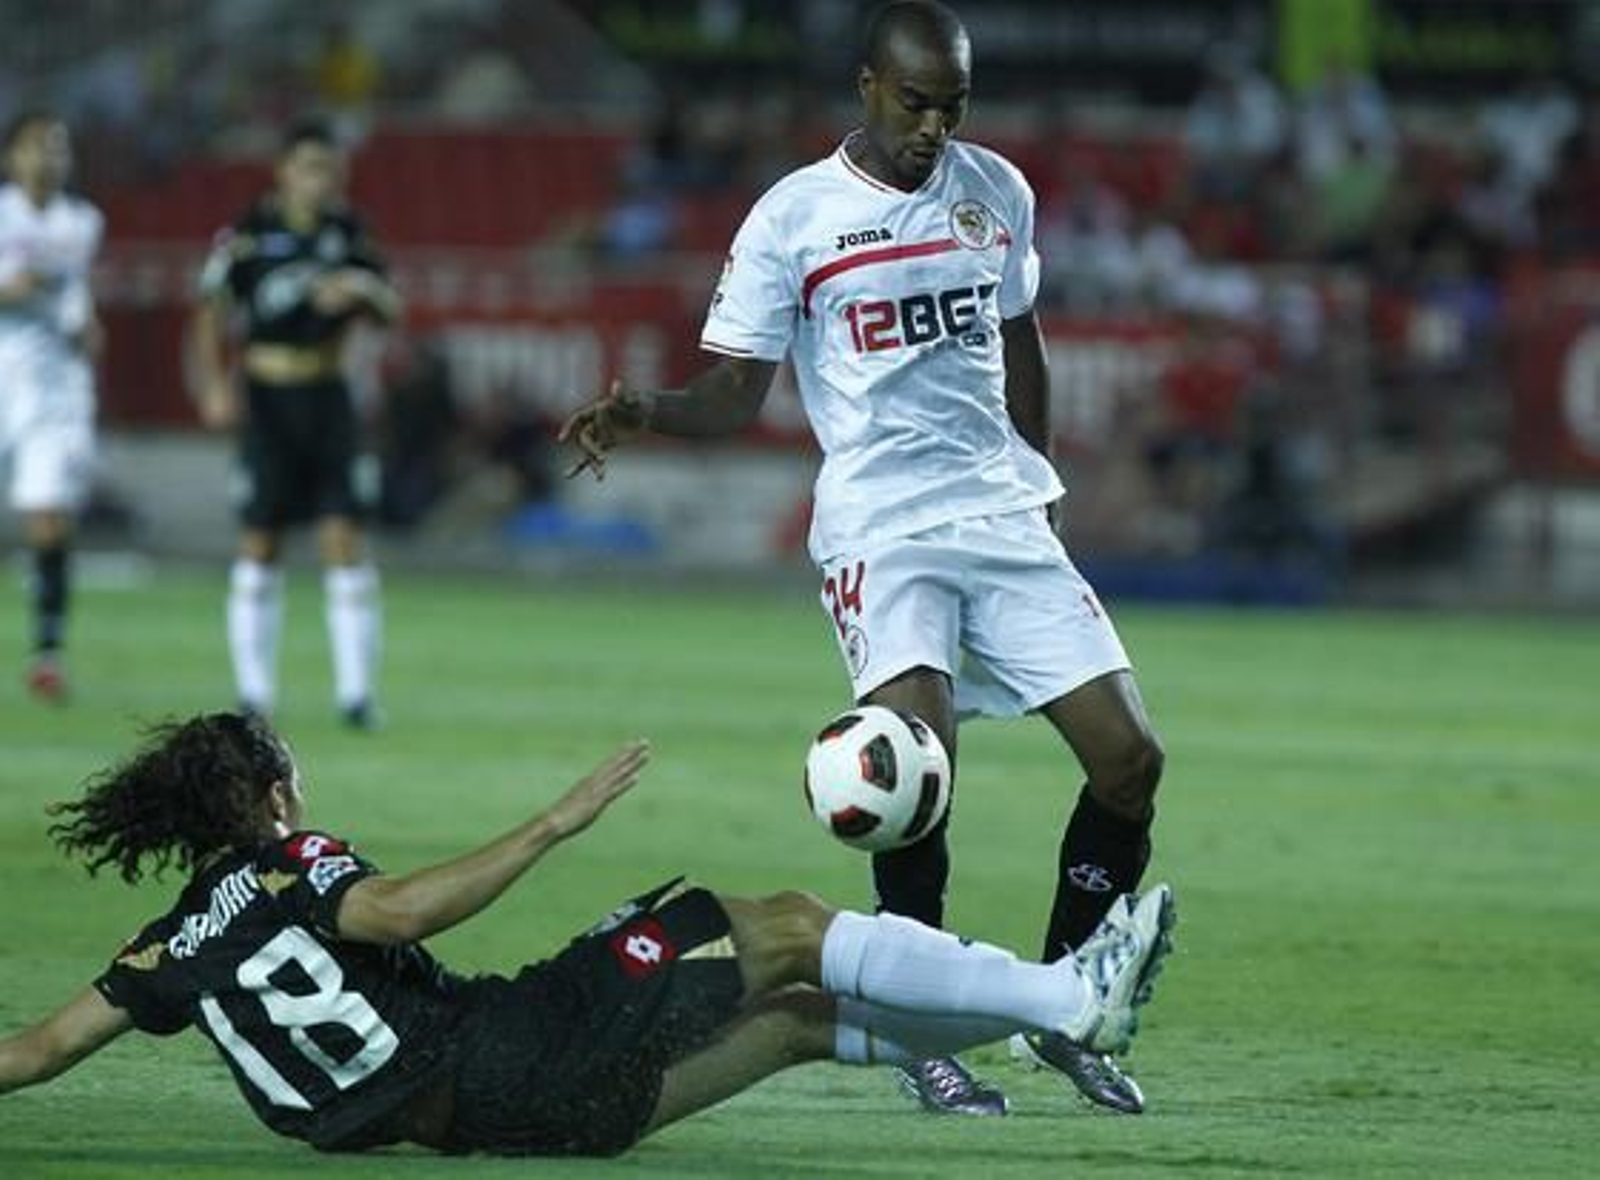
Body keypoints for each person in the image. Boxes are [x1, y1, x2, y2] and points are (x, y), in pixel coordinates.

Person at [560, 0, 1168, 1116]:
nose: (934, 127)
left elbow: (1018, 337)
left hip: (1000, 512)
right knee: (912, 773)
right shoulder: (794, 217)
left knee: (1129, 759)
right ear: (866, 87)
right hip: (882, 526)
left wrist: (1041, 487)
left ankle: (1066, 1000)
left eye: (953, 105)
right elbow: (736, 391)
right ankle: (916, 1030)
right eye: (915, 102)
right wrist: (643, 408)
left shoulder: (997, 191)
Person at [0, 711, 1176, 1156]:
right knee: (775, 923)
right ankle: (1072, 998)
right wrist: (553, 822)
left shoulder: (165, 948)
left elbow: (32, 1055)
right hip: (499, 1051)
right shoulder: (291, 860)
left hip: (507, 1127)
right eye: (291, 785)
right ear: (265, 798)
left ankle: (1038, 1022)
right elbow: (400, 911)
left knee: (801, 1025)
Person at [191, 117, 399, 729]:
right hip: (268, 395)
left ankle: (356, 696)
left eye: (331, 169)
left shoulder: (350, 232)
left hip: (330, 394)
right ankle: (254, 695)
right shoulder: (248, 235)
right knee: (260, 539)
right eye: (310, 167)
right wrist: (212, 385)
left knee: (344, 539)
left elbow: (390, 307)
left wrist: (357, 287)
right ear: (283, 172)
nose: (322, 180)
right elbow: (211, 311)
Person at [0, 111, 105, 703]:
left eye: (60, 148)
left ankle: (47, 651)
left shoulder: (84, 222)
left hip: (52, 383)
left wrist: (88, 324)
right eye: (38, 146)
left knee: (48, 513)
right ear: (13, 156)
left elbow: (75, 292)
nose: (50, 158)